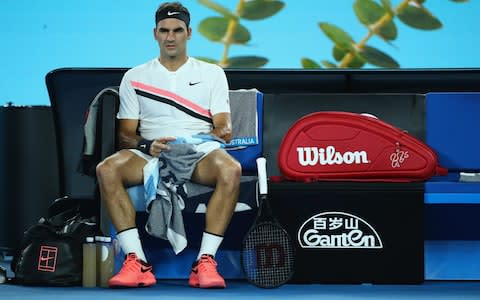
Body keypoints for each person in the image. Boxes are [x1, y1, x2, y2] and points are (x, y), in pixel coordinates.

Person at [95, 2, 241, 289]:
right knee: (106, 169)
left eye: (177, 30)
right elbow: (125, 135)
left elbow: (224, 127)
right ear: (155, 34)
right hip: (150, 152)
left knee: (231, 170)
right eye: (164, 30)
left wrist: (213, 133)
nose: (170, 37)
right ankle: (136, 261)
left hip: (197, 151)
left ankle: (205, 262)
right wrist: (149, 145)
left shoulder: (213, 74)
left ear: (188, 33)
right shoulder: (134, 77)